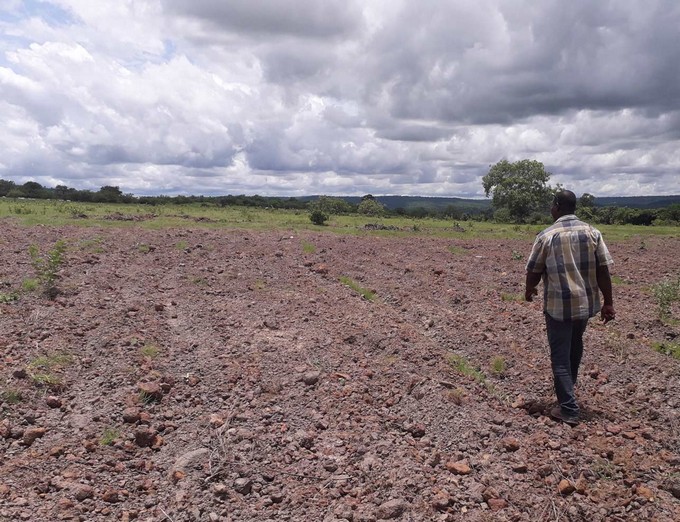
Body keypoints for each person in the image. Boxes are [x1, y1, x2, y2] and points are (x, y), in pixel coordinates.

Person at [525, 189, 615, 426]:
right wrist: (609, 302)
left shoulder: (547, 236)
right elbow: (603, 270)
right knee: (575, 347)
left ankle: (569, 409)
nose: (550, 210)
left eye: (551, 206)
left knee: (560, 357)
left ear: (557, 206)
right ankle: (568, 395)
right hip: (585, 305)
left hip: (558, 306)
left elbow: (533, 270)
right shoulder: (593, 233)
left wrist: (529, 290)